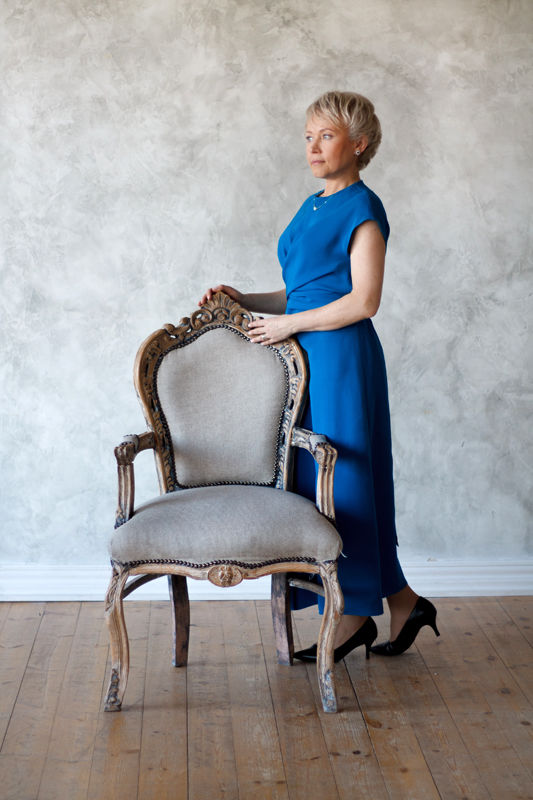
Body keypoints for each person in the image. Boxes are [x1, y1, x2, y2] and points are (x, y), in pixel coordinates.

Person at [200, 91, 439, 659]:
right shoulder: (312, 205)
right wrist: (245, 298)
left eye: (326, 136)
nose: (312, 147)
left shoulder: (363, 207)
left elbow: (364, 301)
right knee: (317, 482)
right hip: (306, 357)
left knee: (346, 481)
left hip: (342, 359)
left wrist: (287, 325)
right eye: (308, 136)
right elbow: (301, 294)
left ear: (359, 144)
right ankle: (397, 604)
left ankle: (356, 614)